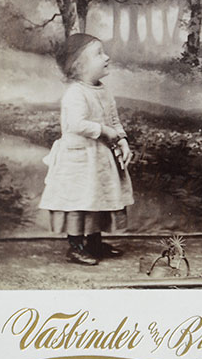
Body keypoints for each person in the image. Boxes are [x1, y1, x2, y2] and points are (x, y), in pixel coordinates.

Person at [38, 33, 134, 266]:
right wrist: (104, 131)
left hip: (99, 158)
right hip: (78, 159)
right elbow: (75, 124)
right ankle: (76, 246)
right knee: (79, 203)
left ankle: (94, 243)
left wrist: (122, 140)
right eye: (99, 54)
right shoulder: (75, 93)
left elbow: (114, 120)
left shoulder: (104, 91)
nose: (107, 57)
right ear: (79, 65)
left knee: (95, 200)